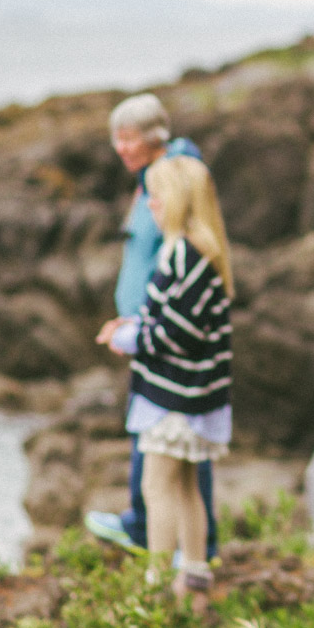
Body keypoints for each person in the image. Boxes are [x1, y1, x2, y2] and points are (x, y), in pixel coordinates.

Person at [84, 93, 218, 558]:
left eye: (127, 138)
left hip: (164, 336)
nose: (119, 147)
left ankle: (172, 549)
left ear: (154, 138)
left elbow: (184, 258)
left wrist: (138, 330)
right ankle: (166, 539)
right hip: (148, 330)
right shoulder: (150, 180)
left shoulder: (174, 177)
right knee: (167, 445)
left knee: (175, 446)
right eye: (115, 138)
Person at [97, 155, 234, 607]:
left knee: (156, 488)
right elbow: (174, 322)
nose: (150, 204)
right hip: (190, 398)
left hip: (176, 400)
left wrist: (129, 337)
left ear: (175, 201)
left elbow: (174, 333)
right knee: (187, 488)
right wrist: (132, 328)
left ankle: (156, 589)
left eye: (156, 196)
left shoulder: (186, 256)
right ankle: (193, 578)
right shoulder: (195, 252)